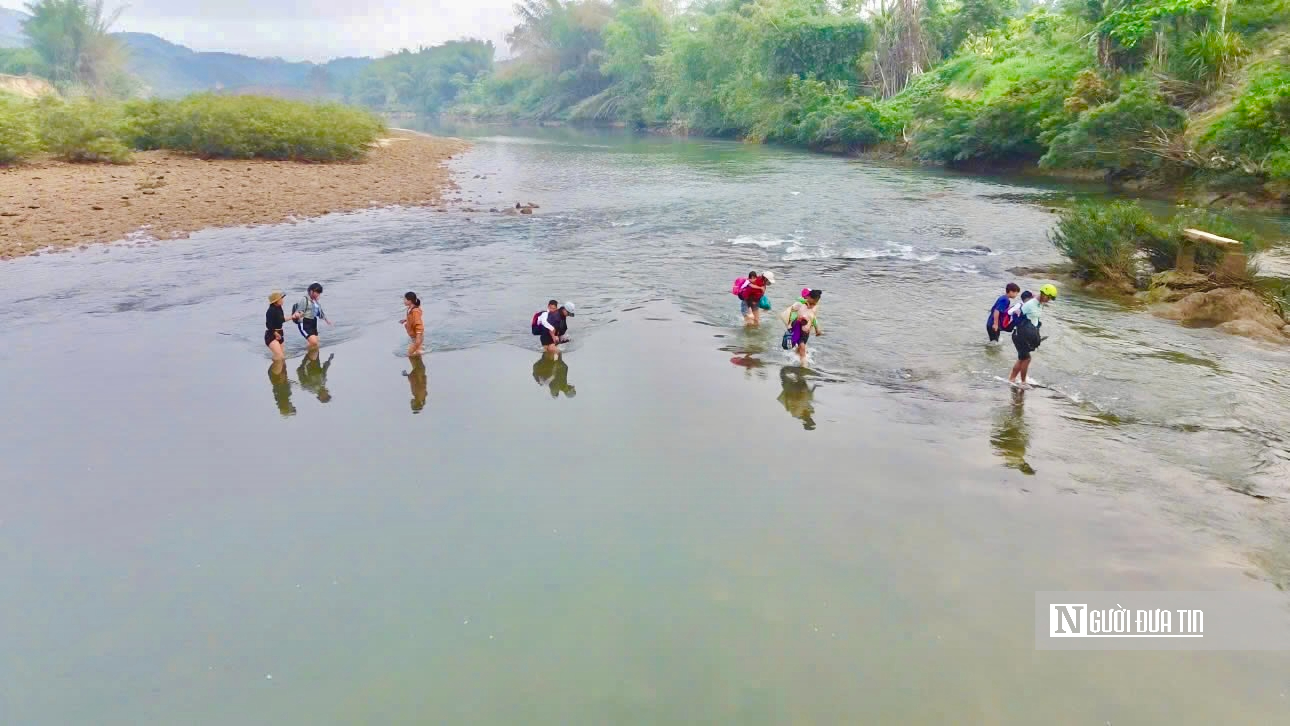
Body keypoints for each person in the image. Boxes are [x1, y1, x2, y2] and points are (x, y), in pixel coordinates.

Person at [1008, 284, 1058, 388]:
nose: (1049, 300)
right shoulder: (1030, 304)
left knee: (1022, 358)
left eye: (1050, 298)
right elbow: (1016, 317)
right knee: (1026, 359)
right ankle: (1023, 382)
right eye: (1048, 297)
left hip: (1027, 335)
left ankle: (1012, 379)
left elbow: (1034, 320)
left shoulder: (1040, 304)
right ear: (1043, 294)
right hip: (1020, 335)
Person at [782, 289, 822, 367]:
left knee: (800, 349)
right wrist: (793, 321)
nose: (814, 304)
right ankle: (804, 366)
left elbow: (814, 319)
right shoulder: (800, 304)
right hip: (797, 329)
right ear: (809, 297)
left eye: (816, 302)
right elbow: (791, 311)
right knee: (802, 348)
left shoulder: (814, 308)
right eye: (814, 301)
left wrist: (817, 329)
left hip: (806, 333)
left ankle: (796, 358)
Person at [264, 290, 301, 362]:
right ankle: (273, 372)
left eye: (282, 298)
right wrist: (275, 334)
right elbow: (268, 325)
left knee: (282, 357)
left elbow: (282, 320)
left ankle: (280, 371)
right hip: (271, 335)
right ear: (275, 301)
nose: (282, 300)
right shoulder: (270, 311)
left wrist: (293, 316)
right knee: (280, 356)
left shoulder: (279, 308)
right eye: (280, 299)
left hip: (280, 333)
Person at [295, 282, 332, 349]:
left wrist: (326, 320)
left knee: (315, 343)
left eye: (319, 293)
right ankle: (305, 353)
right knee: (314, 342)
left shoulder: (316, 300)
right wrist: (298, 315)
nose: (318, 294)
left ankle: (309, 355)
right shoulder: (305, 299)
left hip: (313, 322)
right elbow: (299, 311)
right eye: (317, 292)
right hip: (305, 323)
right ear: (311, 291)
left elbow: (319, 311)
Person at [401, 291, 425, 356]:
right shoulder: (410, 309)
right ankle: (420, 356)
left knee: (409, 354)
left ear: (410, 301)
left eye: (404, 299)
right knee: (418, 352)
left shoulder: (415, 311)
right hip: (414, 335)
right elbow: (412, 318)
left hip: (417, 335)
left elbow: (419, 323)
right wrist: (406, 320)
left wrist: (418, 336)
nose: (403, 301)